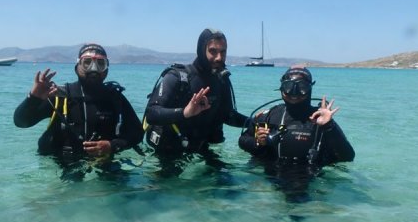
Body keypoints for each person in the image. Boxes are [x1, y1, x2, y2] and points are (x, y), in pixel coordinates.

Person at [14, 43, 143, 176]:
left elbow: (137, 132)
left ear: (106, 70)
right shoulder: (60, 96)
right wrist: (33, 98)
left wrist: (112, 145)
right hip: (64, 164)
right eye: (87, 63)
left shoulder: (115, 98)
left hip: (104, 162)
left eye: (100, 63)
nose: (94, 69)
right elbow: (21, 122)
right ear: (77, 68)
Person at [239, 66, 355, 202]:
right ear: (281, 88)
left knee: (297, 206)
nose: (294, 93)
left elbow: (348, 156)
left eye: (302, 87)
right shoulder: (270, 115)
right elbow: (243, 140)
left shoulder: (320, 118)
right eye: (288, 86)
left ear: (310, 88)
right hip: (271, 171)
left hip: (307, 174)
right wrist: (258, 142)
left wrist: (329, 126)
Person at [144, 28, 248, 157]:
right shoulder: (177, 77)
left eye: (223, 52)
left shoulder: (222, 80)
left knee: (227, 176)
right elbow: (151, 114)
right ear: (201, 50)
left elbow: (227, 115)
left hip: (202, 148)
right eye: (213, 51)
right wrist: (185, 112)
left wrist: (253, 122)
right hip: (169, 150)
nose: (219, 57)